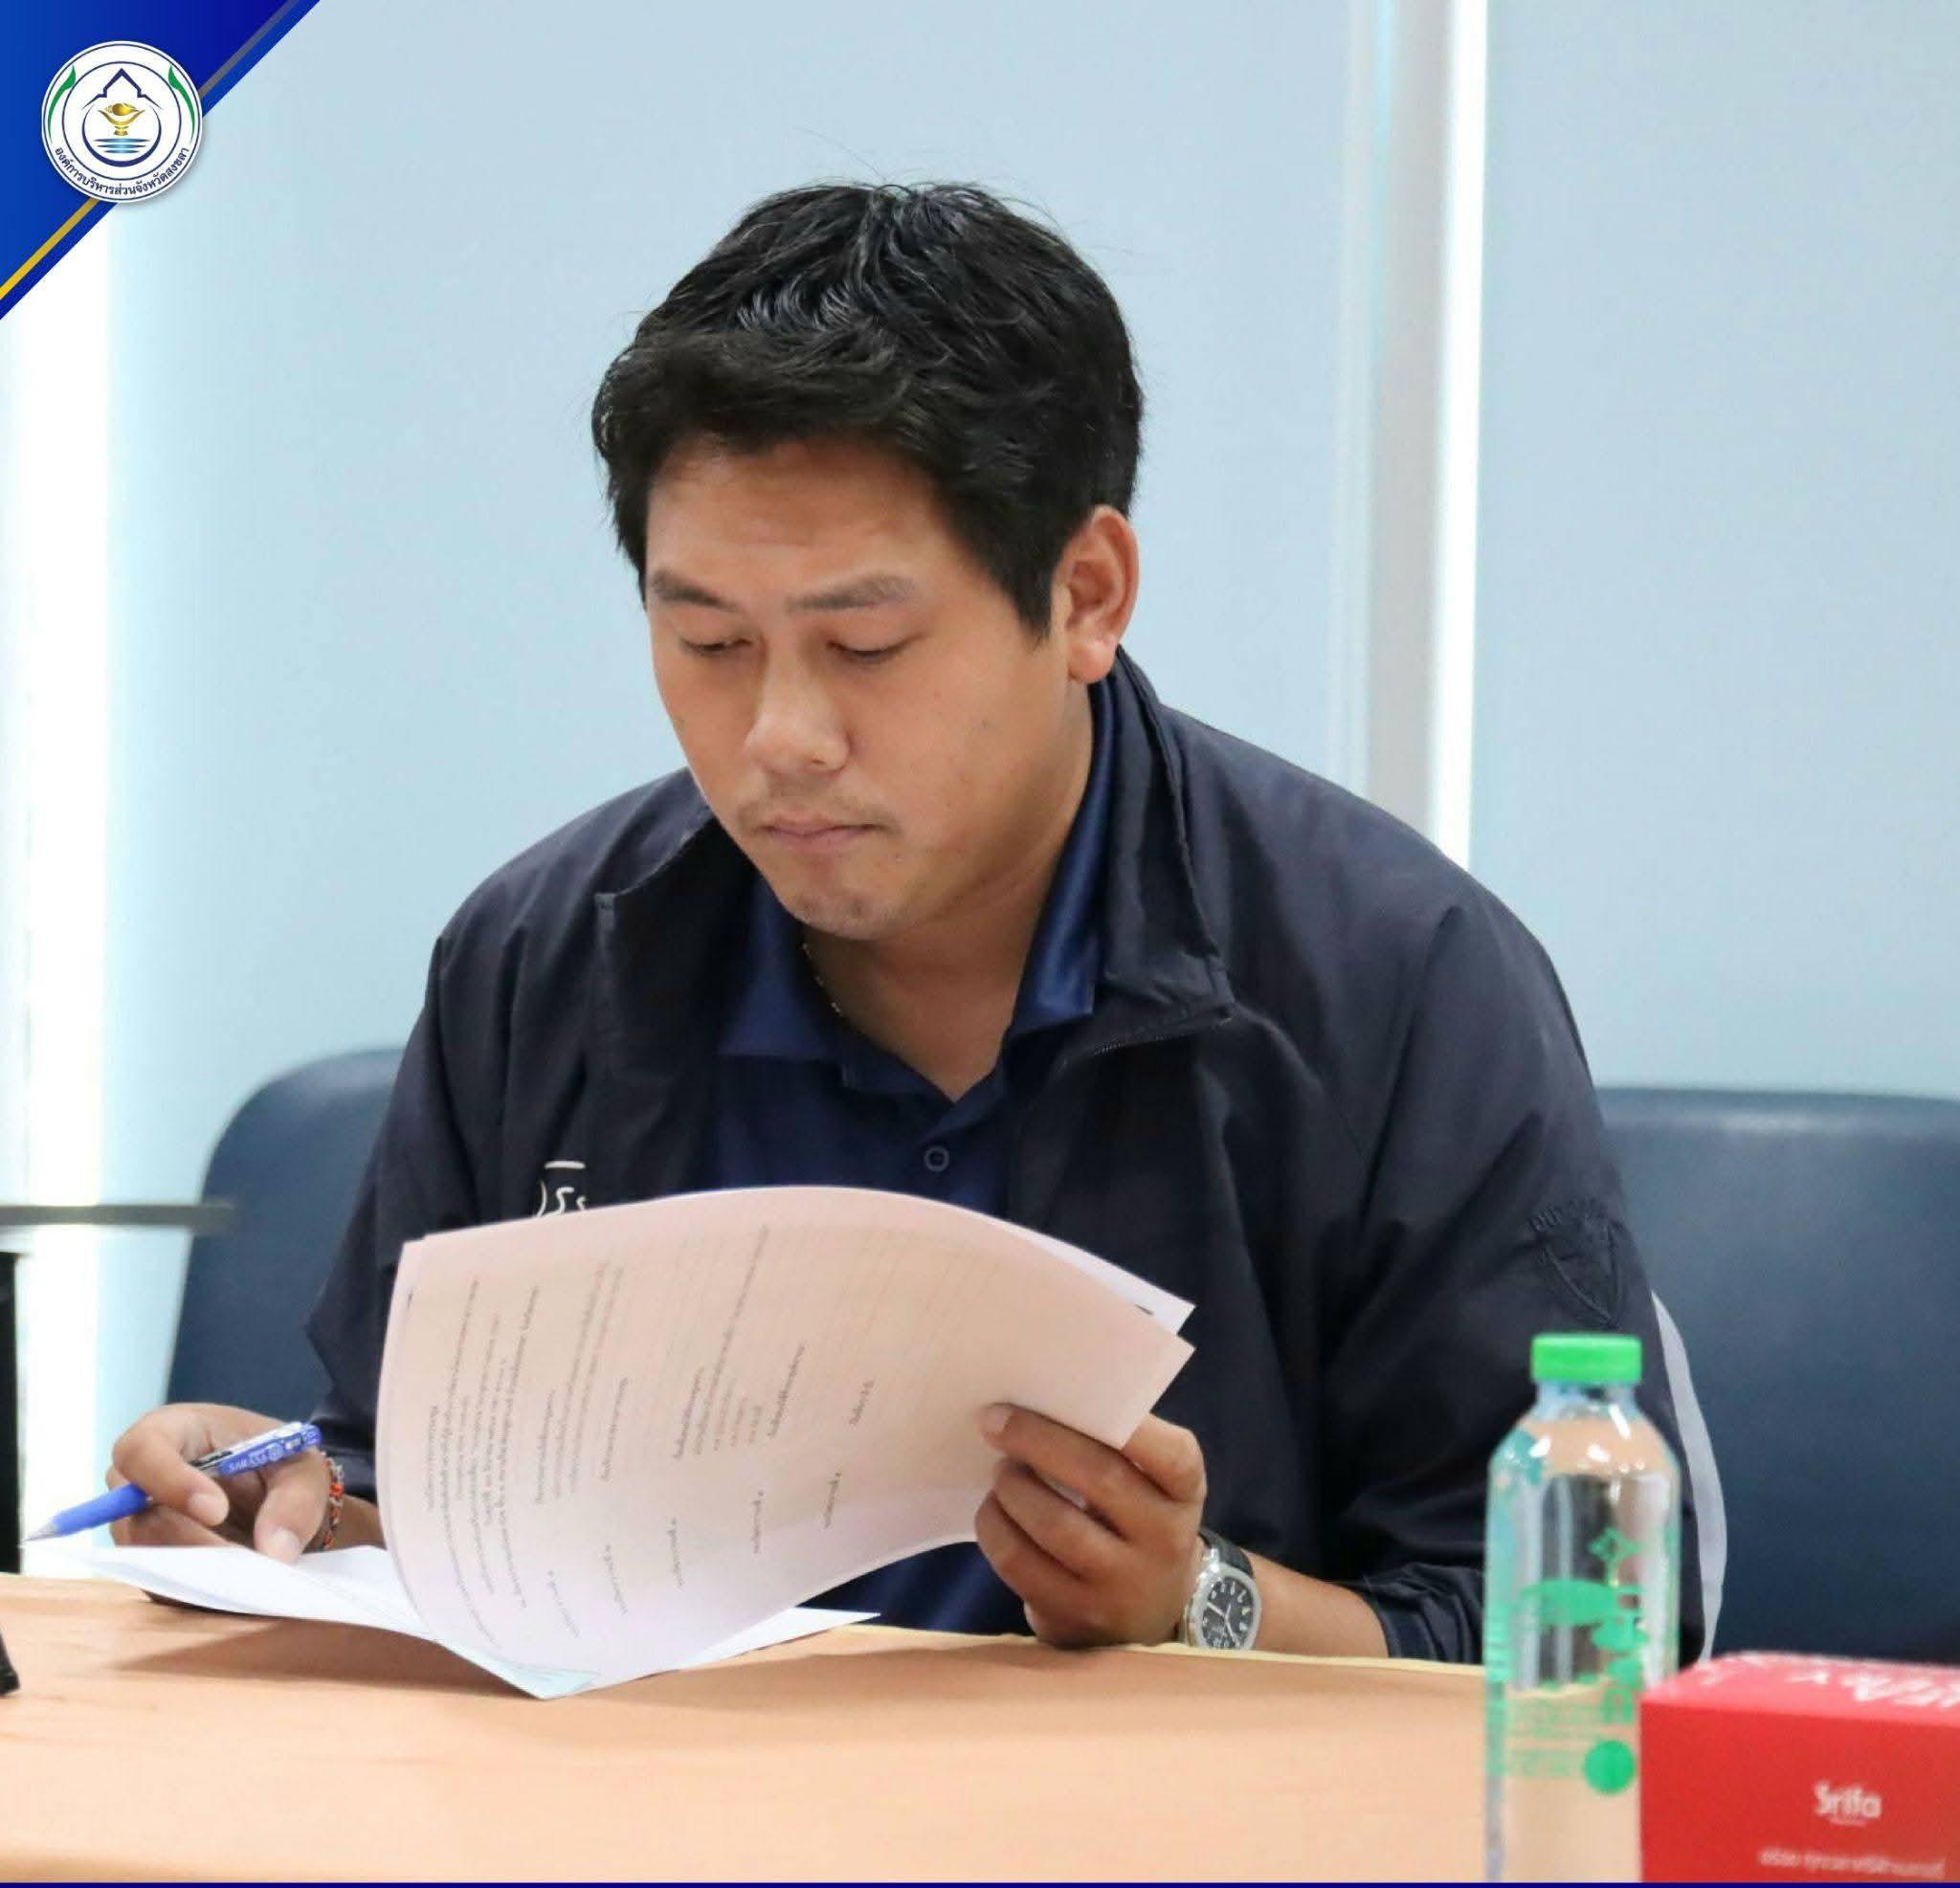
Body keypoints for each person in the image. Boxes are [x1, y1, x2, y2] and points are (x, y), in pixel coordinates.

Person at [106, 182, 1719, 1662]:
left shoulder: (1398, 981)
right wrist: (288, 1508)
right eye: (709, 644)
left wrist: (1199, 1603)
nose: (780, 738)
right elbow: (417, 1505)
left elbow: (1585, 1632)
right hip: (648, 1832)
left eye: (866, 647)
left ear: (1085, 596)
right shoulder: (544, 961)